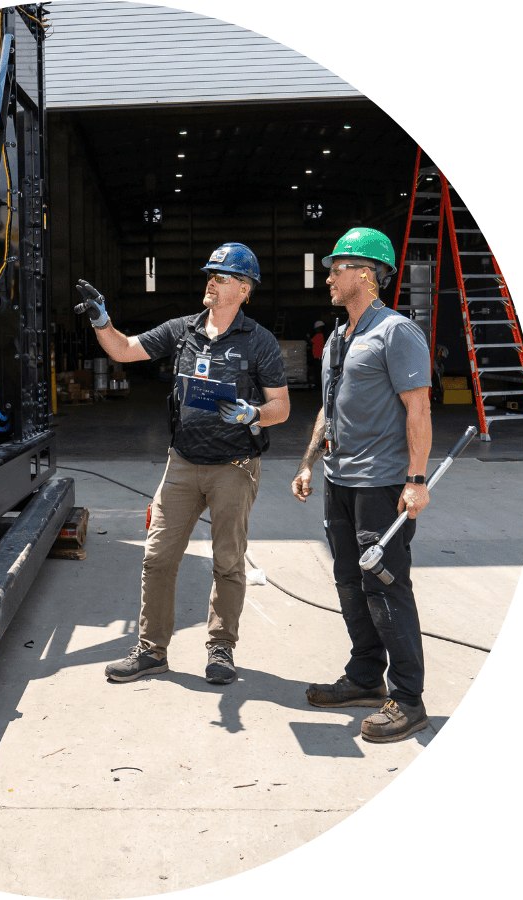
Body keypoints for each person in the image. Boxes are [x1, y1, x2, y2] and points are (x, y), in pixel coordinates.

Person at [75, 243, 290, 685]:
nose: (211, 281)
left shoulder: (260, 342)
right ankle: (152, 650)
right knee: (157, 557)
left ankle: (221, 649)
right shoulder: (183, 330)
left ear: (245, 289)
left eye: (223, 276)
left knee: (228, 562)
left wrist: (252, 413)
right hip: (182, 464)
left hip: (234, 466)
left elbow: (282, 407)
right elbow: (124, 349)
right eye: (210, 273)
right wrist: (102, 320)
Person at [291, 226, 432, 742]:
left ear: (368, 276)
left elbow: (419, 408)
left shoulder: (396, 332)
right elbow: (329, 408)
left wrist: (415, 480)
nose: (329, 276)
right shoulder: (339, 336)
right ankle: (366, 676)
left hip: (381, 484)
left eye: (338, 268)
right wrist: (308, 462)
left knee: (386, 586)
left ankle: (409, 698)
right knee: (350, 583)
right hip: (339, 480)